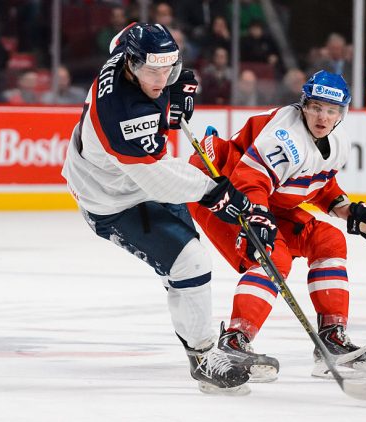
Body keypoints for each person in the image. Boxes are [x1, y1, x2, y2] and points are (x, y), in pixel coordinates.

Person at [61, 22, 254, 395]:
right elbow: (157, 180)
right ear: (131, 65)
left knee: (184, 271)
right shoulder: (122, 113)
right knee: (192, 263)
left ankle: (195, 337)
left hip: (129, 178)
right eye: (153, 71)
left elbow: (132, 36)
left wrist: (175, 90)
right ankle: (202, 357)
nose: (161, 78)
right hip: (112, 199)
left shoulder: (128, 49)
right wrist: (215, 192)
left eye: (169, 68)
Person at [187, 70, 366, 381]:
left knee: (328, 239)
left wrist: (355, 215)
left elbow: (318, 186)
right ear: (304, 105)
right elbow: (251, 180)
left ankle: (332, 340)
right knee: (273, 256)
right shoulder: (285, 136)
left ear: (341, 113)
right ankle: (234, 340)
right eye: (316, 107)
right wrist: (258, 217)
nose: (323, 117)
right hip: (219, 189)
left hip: (262, 198)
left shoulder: (335, 143)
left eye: (331, 110)